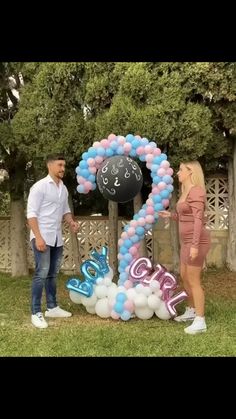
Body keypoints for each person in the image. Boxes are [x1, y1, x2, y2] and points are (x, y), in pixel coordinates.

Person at [27, 153, 79, 329]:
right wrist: (39, 237)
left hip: (56, 238)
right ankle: (35, 312)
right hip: (42, 237)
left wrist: (71, 222)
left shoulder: (62, 188)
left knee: (52, 274)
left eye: (64, 165)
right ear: (50, 166)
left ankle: (52, 307)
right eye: (60, 165)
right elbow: (31, 215)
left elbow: (65, 209)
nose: (63, 169)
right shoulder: (39, 187)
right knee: (41, 274)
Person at [158, 161, 211, 335]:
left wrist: (195, 246)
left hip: (197, 241)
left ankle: (200, 321)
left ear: (191, 172)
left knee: (194, 280)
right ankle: (191, 310)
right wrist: (171, 215)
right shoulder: (185, 192)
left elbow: (197, 220)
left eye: (181, 170)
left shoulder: (196, 190)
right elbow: (185, 216)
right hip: (187, 242)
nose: (177, 173)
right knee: (184, 276)